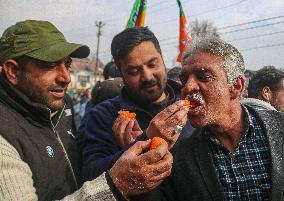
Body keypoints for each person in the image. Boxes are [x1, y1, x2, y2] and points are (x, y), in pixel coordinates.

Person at [0, 20, 173, 201]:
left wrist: (129, 147)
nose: (66, 78)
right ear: (13, 71)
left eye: (66, 65)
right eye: (50, 66)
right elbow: (94, 172)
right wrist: (116, 185)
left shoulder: (59, 106)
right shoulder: (5, 136)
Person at [138, 37, 284, 201]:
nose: (187, 87)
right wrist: (152, 149)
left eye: (204, 77)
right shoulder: (178, 155)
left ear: (236, 87)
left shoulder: (279, 128)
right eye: (184, 79)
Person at [82, 26, 193, 180]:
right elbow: (91, 175)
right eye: (134, 71)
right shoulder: (104, 115)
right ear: (121, 74)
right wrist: (140, 144)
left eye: (152, 64)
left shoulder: (191, 103)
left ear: (163, 60)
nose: (147, 76)